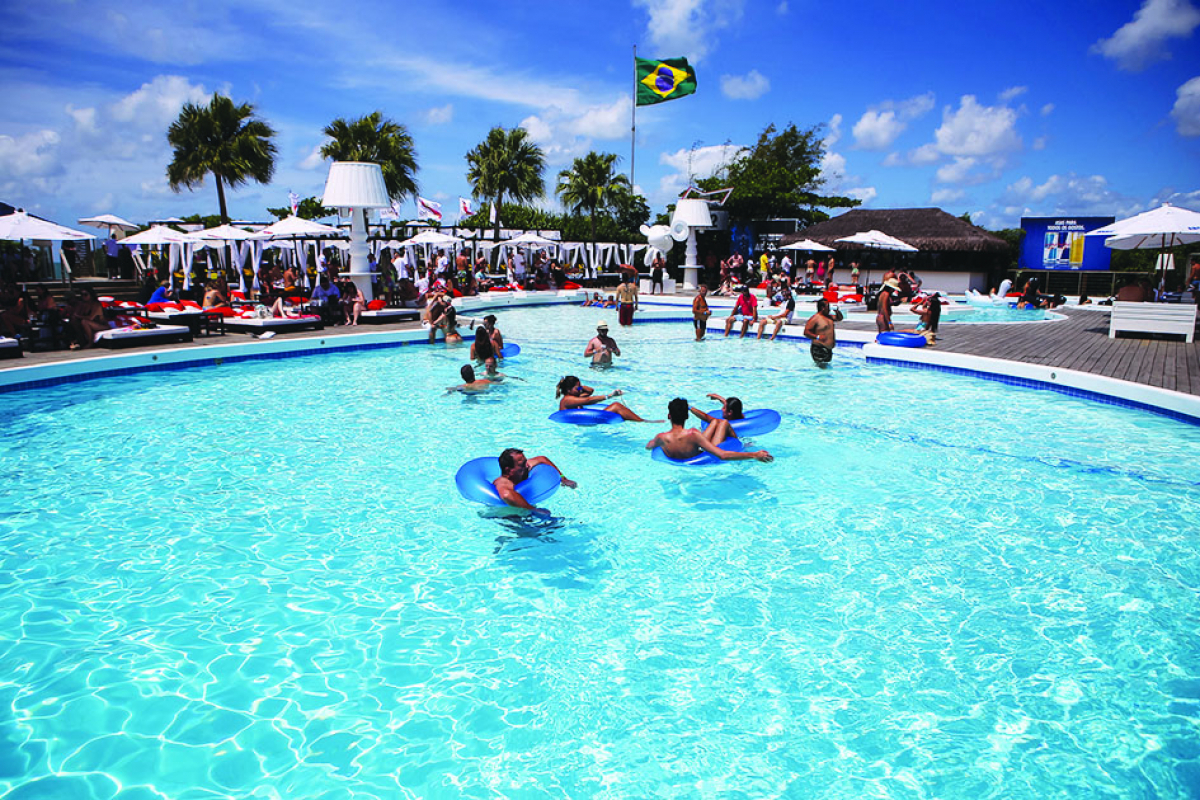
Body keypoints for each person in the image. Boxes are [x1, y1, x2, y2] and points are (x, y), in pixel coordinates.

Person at [645, 398, 772, 463]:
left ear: (669, 416)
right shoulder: (693, 434)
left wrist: (655, 442)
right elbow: (722, 455)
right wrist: (754, 455)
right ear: (687, 416)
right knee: (724, 423)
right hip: (701, 455)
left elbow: (648, 447)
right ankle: (740, 444)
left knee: (716, 421)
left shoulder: (661, 438)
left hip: (685, 456)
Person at [493, 448, 576, 514]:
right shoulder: (503, 482)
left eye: (526, 461)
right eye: (522, 464)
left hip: (527, 505)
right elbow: (506, 495)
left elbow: (542, 459)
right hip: (508, 513)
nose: (528, 465)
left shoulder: (524, 468)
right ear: (508, 470)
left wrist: (563, 478)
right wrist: (533, 510)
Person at [556, 375, 654, 421]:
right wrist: (610, 396)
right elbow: (588, 400)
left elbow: (590, 391)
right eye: (578, 388)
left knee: (616, 407)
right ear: (568, 390)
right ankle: (642, 421)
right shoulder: (567, 400)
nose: (580, 390)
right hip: (583, 422)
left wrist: (579, 386)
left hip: (584, 421)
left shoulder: (575, 397)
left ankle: (635, 419)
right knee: (616, 406)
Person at [804, 298, 844, 366]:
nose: (829, 309)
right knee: (822, 371)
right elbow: (806, 332)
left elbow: (839, 318)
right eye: (828, 306)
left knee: (826, 371)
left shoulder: (829, 317)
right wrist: (817, 337)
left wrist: (837, 311)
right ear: (822, 308)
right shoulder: (815, 318)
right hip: (819, 349)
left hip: (828, 349)